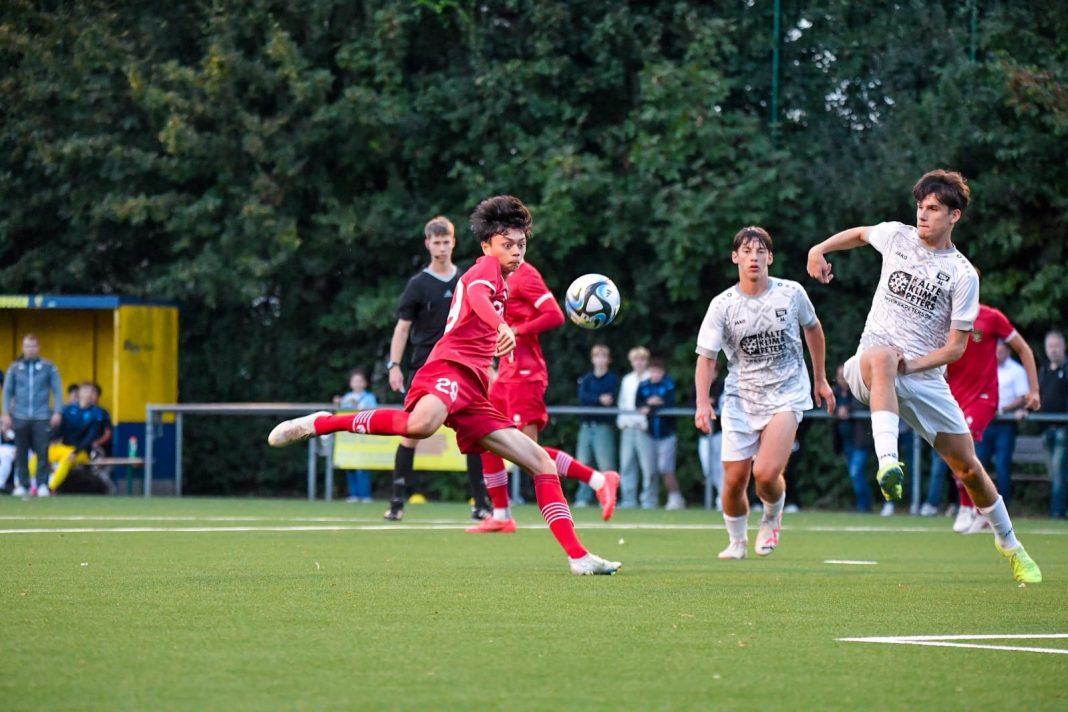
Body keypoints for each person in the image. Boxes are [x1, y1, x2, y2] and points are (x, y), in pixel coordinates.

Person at [269, 195, 621, 575]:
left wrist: (493, 352)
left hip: (474, 389)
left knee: (539, 461)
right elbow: (475, 296)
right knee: (420, 425)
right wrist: (502, 326)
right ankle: (323, 423)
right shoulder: (485, 268)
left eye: (521, 244)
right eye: (508, 244)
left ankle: (578, 557)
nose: (516, 251)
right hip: (448, 367)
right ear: (487, 245)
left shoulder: (504, 280)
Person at [807, 168, 1041, 583]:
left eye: (933, 208)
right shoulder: (897, 237)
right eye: (920, 206)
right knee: (880, 356)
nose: (923, 214)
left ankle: (1011, 544)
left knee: (969, 469)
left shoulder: (962, 274)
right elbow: (862, 233)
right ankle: (888, 464)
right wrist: (818, 249)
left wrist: (910, 365)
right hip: (870, 366)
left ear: (955, 216)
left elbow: (955, 348)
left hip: (924, 378)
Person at [695, 226, 834, 560]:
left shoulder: (791, 293)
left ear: (770, 257)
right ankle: (737, 541)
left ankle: (772, 517)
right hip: (741, 398)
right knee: (733, 482)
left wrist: (820, 379)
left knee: (766, 473)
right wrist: (702, 402)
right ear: (735, 258)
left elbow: (813, 329)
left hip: (787, 392)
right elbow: (706, 357)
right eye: (746, 251)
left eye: (760, 251)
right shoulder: (722, 305)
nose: (753, 257)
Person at [467, 264, 620, 533]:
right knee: (486, 439)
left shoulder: (526, 274)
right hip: (505, 375)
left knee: (527, 452)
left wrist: (517, 330)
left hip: (526, 375)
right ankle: (501, 514)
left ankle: (598, 480)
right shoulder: (491, 275)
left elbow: (555, 316)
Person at [383, 215, 490, 522]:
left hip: (460, 365)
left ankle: (481, 503)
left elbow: (479, 323)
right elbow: (402, 329)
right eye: (436, 242)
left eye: (446, 241)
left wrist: (489, 363)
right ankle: (397, 502)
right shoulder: (417, 285)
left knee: (474, 431)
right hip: (425, 366)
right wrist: (394, 365)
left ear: (454, 242)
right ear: (427, 244)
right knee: (411, 430)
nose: (442, 247)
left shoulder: (466, 280)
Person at [922, 306, 1040, 532]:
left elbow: (1023, 349)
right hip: (953, 398)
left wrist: (1034, 390)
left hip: (984, 397)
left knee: (960, 450)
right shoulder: (943, 318)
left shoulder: (992, 317)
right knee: (956, 454)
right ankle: (980, 511)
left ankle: (966, 506)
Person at [975, 340, 1037, 508]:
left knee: (1003, 465)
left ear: (1008, 351)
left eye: (1001, 350)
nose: (997, 353)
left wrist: (1002, 409)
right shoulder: (985, 367)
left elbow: (1022, 396)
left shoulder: (1016, 370)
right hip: (986, 422)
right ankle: (978, 504)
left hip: (1006, 424)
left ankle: (1004, 505)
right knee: (979, 464)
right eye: (995, 349)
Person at [1, 334, 63, 497]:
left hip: (41, 416)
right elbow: (7, 392)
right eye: (27, 346)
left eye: (33, 346)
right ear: (23, 348)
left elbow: (57, 390)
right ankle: (22, 484)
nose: (30, 349)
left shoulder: (48, 367)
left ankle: (42, 484)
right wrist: (6, 413)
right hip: (20, 416)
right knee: (21, 452)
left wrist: (57, 411)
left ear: (38, 348)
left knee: (42, 451)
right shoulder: (15, 368)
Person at [31, 382, 112, 493]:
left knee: (66, 460)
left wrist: (76, 451)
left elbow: (90, 437)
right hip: (63, 447)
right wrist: (52, 439)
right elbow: (59, 429)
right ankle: (28, 485)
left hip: (81, 451)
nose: (88, 394)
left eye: (91, 391)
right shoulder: (67, 410)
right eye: (86, 391)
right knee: (39, 456)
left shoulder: (97, 413)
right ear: (79, 393)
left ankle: (50, 488)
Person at [572, 344, 620, 508]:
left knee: (605, 464)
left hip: (602, 426)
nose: (600, 360)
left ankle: (608, 497)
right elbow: (583, 398)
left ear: (608, 360)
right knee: (583, 463)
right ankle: (583, 497)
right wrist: (599, 399)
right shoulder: (587, 379)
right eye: (597, 356)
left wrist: (594, 399)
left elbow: (610, 399)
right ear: (593, 359)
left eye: (603, 356)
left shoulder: (612, 379)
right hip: (586, 426)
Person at [637, 358, 685, 510]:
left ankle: (676, 497)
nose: (655, 374)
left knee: (665, 468)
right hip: (649, 434)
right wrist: (650, 405)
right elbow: (638, 404)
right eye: (653, 371)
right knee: (650, 469)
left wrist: (651, 406)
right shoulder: (643, 385)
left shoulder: (668, 384)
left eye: (658, 371)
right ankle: (651, 500)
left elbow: (669, 404)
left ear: (662, 372)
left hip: (666, 434)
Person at [833, 365, 877, 513]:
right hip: (846, 443)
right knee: (855, 474)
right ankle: (863, 504)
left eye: (844, 376)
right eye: (839, 376)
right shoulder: (836, 393)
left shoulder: (859, 391)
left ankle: (864, 506)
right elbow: (829, 407)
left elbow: (862, 405)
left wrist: (848, 410)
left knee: (855, 472)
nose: (842, 379)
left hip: (860, 442)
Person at [617, 346, 655, 509]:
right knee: (626, 465)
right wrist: (622, 423)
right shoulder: (627, 380)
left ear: (646, 361)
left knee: (648, 467)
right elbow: (622, 403)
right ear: (631, 362)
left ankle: (648, 500)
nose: (639, 363)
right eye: (636, 360)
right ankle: (628, 499)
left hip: (644, 428)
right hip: (628, 427)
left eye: (642, 360)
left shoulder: (651, 378)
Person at [335, 368, 378, 503]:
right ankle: (353, 494)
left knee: (362, 466)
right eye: (355, 381)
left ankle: (365, 495)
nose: (357, 383)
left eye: (360, 381)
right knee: (350, 466)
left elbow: (372, 411)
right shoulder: (347, 397)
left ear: (365, 383)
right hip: (349, 438)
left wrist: (357, 405)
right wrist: (337, 403)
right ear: (350, 383)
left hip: (363, 437)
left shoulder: (369, 397)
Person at [1037, 329, 1067, 519]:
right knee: (1053, 472)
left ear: (1064, 347)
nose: (1054, 350)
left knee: (1058, 470)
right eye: (1050, 346)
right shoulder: (1043, 371)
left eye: (1057, 346)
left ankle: (1057, 512)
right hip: (1045, 428)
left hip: (1064, 429)